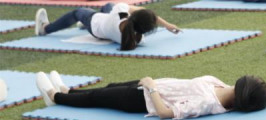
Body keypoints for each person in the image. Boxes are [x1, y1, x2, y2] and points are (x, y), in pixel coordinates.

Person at [35, 71, 266, 120]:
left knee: (95, 99)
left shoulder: (209, 103)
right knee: (107, 88)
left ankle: (54, 96)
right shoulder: (223, 86)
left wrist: (151, 88)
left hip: (140, 99)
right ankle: (68, 90)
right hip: (151, 85)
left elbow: (166, 112)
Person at [34, 3, 180, 51]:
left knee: (77, 12)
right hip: (103, 31)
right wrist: (167, 26)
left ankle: (45, 28)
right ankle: (84, 25)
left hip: (95, 24)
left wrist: (166, 24)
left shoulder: (120, 12)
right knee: (108, 6)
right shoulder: (138, 38)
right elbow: (143, 17)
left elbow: (137, 9)